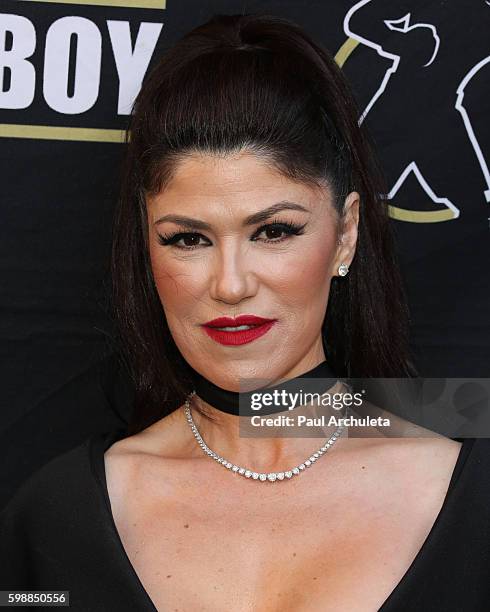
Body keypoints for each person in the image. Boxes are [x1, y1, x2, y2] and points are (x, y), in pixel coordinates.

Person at [1, 13, 489, 612]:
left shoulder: (473, 506)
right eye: (188, 239)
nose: (230, 285)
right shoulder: (57, 520)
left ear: (346, 234)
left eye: (275, 231)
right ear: (146, 248)